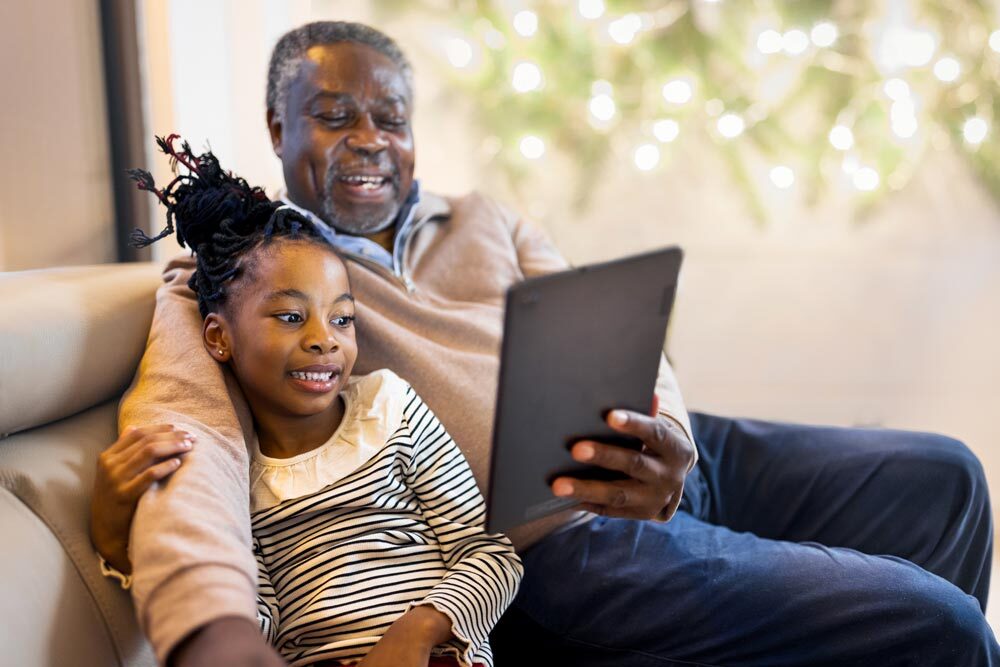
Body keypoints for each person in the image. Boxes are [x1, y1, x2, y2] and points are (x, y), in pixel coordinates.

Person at [92, 20, 998, 667]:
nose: (371, 139)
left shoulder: (486, 217)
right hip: (555, 544)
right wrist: (216, 636)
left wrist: (668, 437)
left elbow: (621, 336)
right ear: (278, 130)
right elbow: (191, 452)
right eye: (334, 115)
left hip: (660, 457)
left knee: (947, 480)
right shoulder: (247, 276)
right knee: (941, 627)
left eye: (392, 117)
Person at [111, 136, 522, 667]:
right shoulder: (238, 481)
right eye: (290, 317)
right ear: (218, 338)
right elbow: (258, 622)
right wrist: (113, 536)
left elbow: (491, 555)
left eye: (342, 318)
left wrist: (420, 631)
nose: (324, 339)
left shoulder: (390, 408)